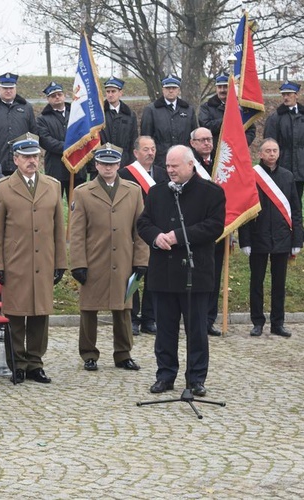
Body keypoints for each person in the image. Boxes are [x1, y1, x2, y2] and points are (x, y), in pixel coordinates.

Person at [137, 145, 225, 397]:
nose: (170, 170)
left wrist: (177, 236)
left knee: (196, 329)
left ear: (191, 165)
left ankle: (196, 378)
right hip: (163, 273)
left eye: (175, 166)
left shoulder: (212, 193)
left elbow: (214, 226)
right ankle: (165, 375)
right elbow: (143, 223)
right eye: (168, 166)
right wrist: (156, 237)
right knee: (165, 329)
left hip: (195, 275)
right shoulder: (156, 192)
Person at [0, 133, 68, 384]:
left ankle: (35, 362)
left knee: (39, 315)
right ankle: (18, 363)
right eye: (26, 157)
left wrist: (60, 263)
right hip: (16, 262)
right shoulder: (3, 188)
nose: (32, 161)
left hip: (43, 261)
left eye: (35, 156)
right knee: (16, 315)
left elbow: (58, 228)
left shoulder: (53, 186)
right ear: (16, 159)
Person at [70, 144, 148, 372]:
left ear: (118, 165)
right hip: (94, 259)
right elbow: (76, 233)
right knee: (89, 309)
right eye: (103, 163)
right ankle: (89, 353)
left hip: (123, 259)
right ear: (96, 165)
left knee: (123, 309)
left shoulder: (133, 191)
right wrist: (78, 263)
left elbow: (140, 230)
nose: (108, 167)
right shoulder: (83, 192)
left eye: (112, 163)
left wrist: (141, 261)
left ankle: (123, 353)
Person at [239, 139, 303, 338]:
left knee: (279, 284)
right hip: (258, 238)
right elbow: (245, 210)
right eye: (268, 151)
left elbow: (296, 210)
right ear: (260, 154)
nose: (272, 154)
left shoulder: (288, 176)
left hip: (282, 238)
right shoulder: (251, 176)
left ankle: (278, 323)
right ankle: (257, 322)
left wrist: (297, 241)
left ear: (279, 153)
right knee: (256, 282)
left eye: (275, 150)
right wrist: (245, 240)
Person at [119, 136, 160, 334]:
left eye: (152, 149)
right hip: (131, 232)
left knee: (153, 275)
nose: (150, 153)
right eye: (146, 149)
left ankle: (149, 318)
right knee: (134, 273)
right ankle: (132, 316)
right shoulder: (125, 174)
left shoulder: (162, 174)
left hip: (155, 232)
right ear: (136, 153)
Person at [189, 127, 224, 336]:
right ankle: (193, 319)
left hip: (217, 227)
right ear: (192, 143)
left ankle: (209, 319)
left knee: (214, 276)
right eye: (202, 140)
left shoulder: (220, 163)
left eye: (209, 139)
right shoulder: (188, 165)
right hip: (194, 229)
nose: (207, 143)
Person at [36, 81, 83, 197]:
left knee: (77, 205)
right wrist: (69, 147)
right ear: (48, 99)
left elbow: (84, 134)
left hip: (76, 165)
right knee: (54, 204)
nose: (57, 97)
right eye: (53, 96)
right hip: (56, 167)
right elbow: (46, 141)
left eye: (59, 94)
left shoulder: (76, 113)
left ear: (64, 95)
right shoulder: (42, 119)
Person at [141, 75, 198, 169]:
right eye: (168, 88)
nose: (171, 91)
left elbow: (194, 137)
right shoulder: (151, 110)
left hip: (184, 160)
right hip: (160, 161)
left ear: (179, 90)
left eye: (174, 88)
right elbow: (146, 138)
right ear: (163, 90)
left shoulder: (188, 110)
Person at [264, 81, 304, 202]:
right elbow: (269, 142)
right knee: (281, 200)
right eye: (284, 94)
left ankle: (296, 221)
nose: (286, 97)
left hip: (301, 165)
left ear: (297, 95)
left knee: (297, 200)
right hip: (282, 165)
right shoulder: (275, 118)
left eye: (289, 94)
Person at [198, 73, 255, 150]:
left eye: (225, 87)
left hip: (237, 150)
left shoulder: (241, 107)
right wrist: (227, 119)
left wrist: (242, 143)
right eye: (219, 87)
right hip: (215, 151)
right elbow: (206, 127)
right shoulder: (207, 107)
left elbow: (250, 129)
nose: (222, 90)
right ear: (216, 88)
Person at [101, 77, 138, 166]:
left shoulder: (129, 114)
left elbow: (133, 141)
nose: (110, 94)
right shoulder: (99, 113)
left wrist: (131, 163)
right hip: (102, 160)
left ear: (120, 93)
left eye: (113, 91)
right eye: (108, 91)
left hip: (123, 162)